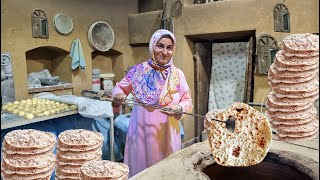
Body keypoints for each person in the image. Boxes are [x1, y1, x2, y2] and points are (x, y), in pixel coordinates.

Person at [112, 29, 193, 177]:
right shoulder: (138, 71)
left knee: (167, 172)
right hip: (141, 133)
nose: (164, 52)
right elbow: (119, 87)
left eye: (169, 48)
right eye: (160, 46)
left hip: (167, 135)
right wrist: (118, 95)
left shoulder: (177, 74)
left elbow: (187, 100)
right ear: (152, 46)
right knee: (141, 172)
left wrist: (179, 107)